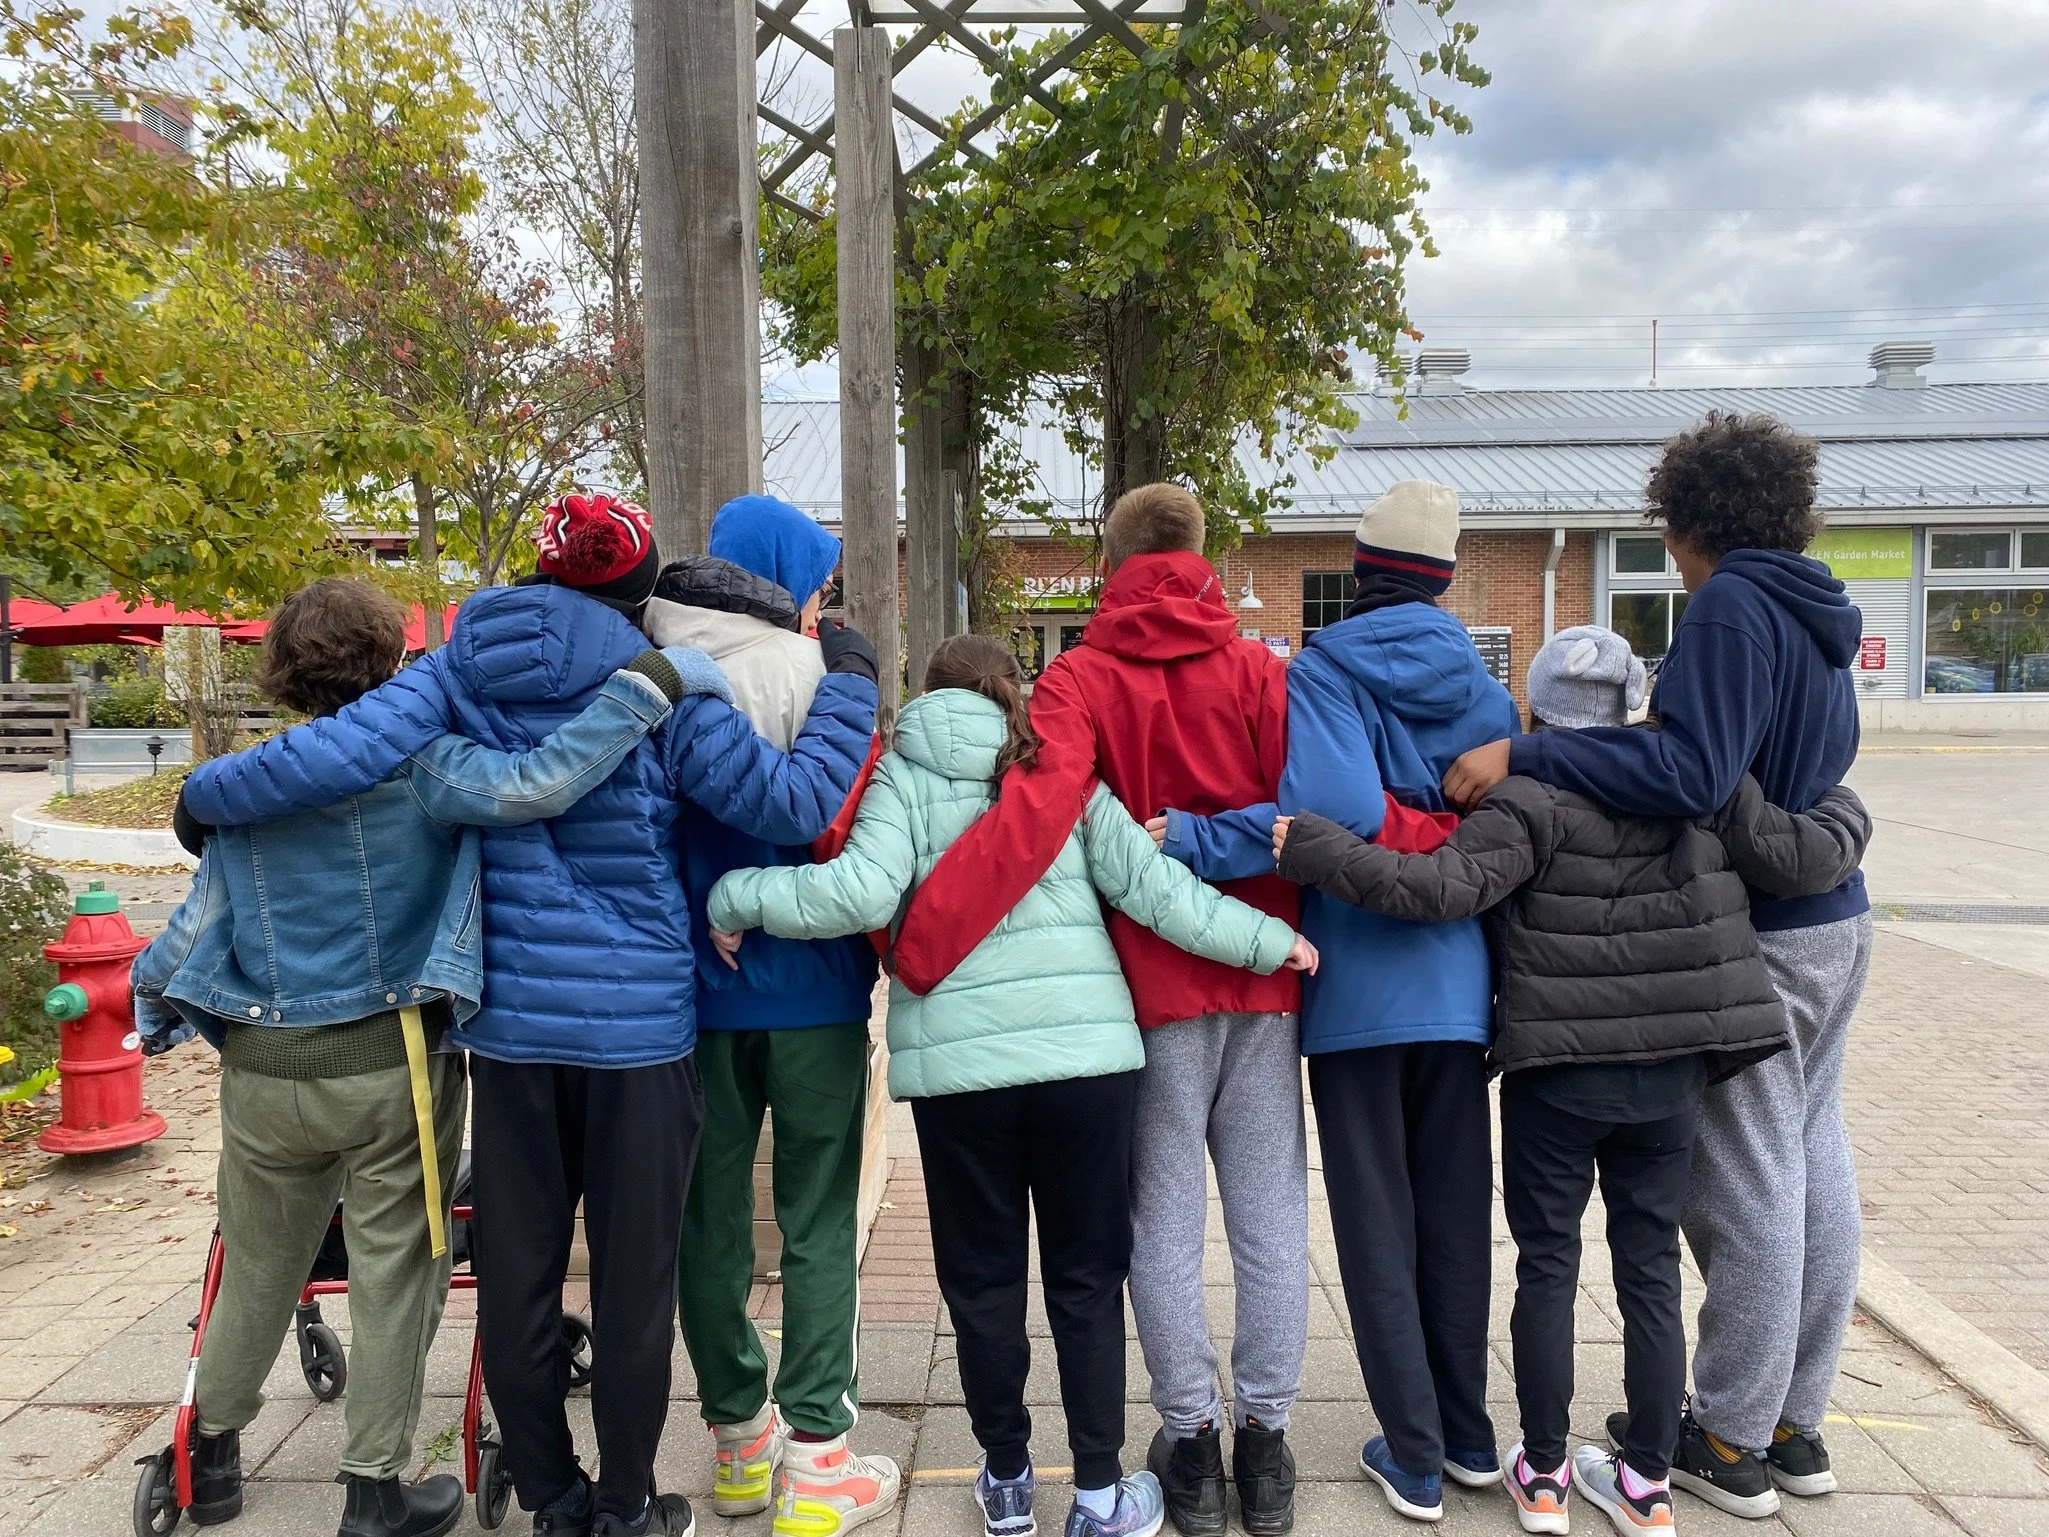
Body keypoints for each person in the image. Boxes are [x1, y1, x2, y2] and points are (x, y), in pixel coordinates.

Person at [178, 495, 881, 1537]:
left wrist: (206, 794)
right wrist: (851, 687)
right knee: (638, 1283)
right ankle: (631, 1503)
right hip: (641, 1029)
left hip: (508, 1030)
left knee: (519, 1274)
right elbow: (791, 802)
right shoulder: (662, 680)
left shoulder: (460, 669)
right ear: (637, 584)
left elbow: (334, 751)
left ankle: (554, 1500)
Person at [879, 484, 1454, 1537]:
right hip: (1271, 979)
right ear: (1200, 556)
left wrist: (923, 945)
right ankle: (1266, 1448)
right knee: (1273, 1219)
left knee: (1164, 1226)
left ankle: (1189, 1445)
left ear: (1110, 563)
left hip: (1148, 995)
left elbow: (1037, 814)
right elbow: (1322, 809)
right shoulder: (1263, 672)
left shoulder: (1078, 680)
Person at [705, 635, 1319, 1537]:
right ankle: (1103, 1495)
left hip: (959, 1078)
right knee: (1084, 1279)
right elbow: (1157, 892)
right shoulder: (1061, 776)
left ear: (925, 695)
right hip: (1085, 1069)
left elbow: (858, 894)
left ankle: (1006, 1482)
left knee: (983, 1282)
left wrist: (737, 895)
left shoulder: (898, 778)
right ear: (1011, 693)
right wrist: (1273, 944)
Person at [1274, 624, 1872, 1537]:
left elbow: (1432, 889)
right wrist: (1849, 812)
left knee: (1547, 1265)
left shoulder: (1525, 801)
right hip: (1669, 1077)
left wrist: (1310, 846)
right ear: (1633, 702)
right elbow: (1799, 854)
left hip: (1554, 1079)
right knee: (1647, 1269)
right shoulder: (1697, 792)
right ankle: (1643, 1485)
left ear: (1537, 712)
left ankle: (1545, 1472)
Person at [134, 577, 698, 1537]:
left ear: (280, 674)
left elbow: (199, 922)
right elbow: (536, 784)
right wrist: (641, 691)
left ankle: (212, 1449)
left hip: (263, 1069)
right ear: (395, 660)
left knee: (259, 1261)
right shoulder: (427, 773)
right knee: (399, 1265)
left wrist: (158, 1008)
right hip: (388, 1056)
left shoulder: (246, 787)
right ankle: (374, 1486)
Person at [1442, 414, 1871, 1520]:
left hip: (1763, 928)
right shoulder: (1816, 604)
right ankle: (1791, 1420)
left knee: (1753, 1175)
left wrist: (1526, 751)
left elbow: (1693, 769)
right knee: (1815, 1154)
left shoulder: (1733, 601)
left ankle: (1726, 1437)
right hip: (1835, 914)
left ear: (1690, 520)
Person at [643, 495, 892, 1533]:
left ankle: (740, 1444)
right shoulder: (819, 676)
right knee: (818, 1219)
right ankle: (822, 1453)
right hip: (818, 987)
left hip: (697, 998)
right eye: (818, 580)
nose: (823, 598)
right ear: (788, 579)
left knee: (709, 1222)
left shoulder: (653, 672)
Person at [1276, 480, 1520, 1523]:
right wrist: (1438, 830)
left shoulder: (1323, 668)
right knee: (1459, 1215)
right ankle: (1469, 1434)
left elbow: (1325, 814)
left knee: (1377, 1222)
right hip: (1462, 985)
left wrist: (1389, 820)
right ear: (1448, 579)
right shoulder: (1490, 693)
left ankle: (1413, 1456)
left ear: (1361, 570)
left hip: (1356, 987)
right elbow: (1506, 831)